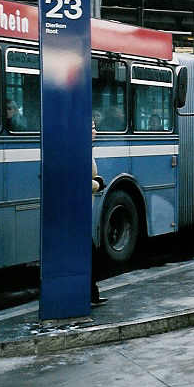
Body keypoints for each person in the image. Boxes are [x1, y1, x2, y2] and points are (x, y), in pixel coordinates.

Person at [91, 121, 108, 306]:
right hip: (78, 211)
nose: (96, 131)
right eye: (93, 128)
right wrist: (97, 184)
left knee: (91, 253)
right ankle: (92, 294)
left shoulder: (85, 147)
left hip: (82, 210)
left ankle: (92, 294)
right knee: (91, 253)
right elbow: (78, 178)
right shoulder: (80, 149)